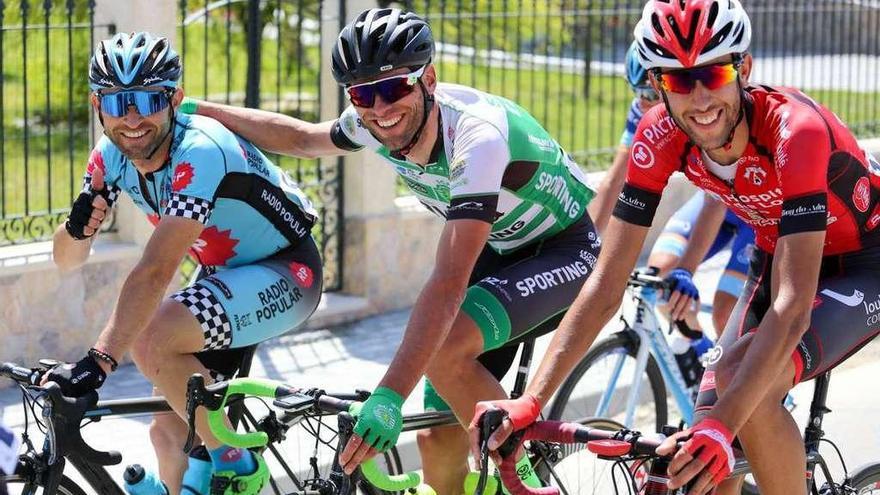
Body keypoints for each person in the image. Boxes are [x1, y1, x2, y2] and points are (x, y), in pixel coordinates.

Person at [181, 7, 602, 493]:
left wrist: (388, 397)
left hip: (561, 251)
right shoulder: (372, 123)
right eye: (363, 94)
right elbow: (300, 137)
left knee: (443, 356)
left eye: (395, 88)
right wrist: (201, 110)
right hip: (501, 251)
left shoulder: (476, 139)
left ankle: (524, 479)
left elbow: (447, 282)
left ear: (429, 80)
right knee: (438, 444)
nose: (380, 108)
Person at [470, 1, 880, 495]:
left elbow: (792, 308)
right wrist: (532, 401)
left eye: (714, 73)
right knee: (702, 454)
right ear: (660, 86)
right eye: (680, 82)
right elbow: (605, 282)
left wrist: (723, 426)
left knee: (744, 395)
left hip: (864, 264)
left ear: (743, 69)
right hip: (776, 258)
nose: (701, 99)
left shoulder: (796, 132)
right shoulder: (658, 135)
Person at [44, 32, 323, 495]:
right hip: (223, 279)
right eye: (117, 104)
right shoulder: (108, 156)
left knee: (151, 339)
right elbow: (67, 261)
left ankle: (239, 461)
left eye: (147, 100)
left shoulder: (200, 150)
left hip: (287, 272)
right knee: (167, 434)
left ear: (173, 99)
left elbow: (156, 270)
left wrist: (99, 361)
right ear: (98, 106)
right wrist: (76, 230)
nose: (132, 118)